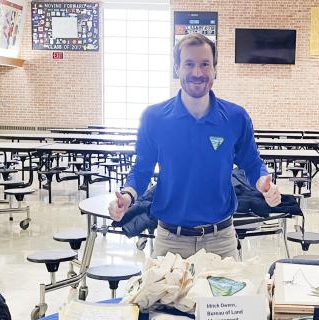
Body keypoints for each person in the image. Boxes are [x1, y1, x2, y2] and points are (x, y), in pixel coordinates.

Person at [108, 33, 281, 260]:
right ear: (177, 68)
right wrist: (128, 196)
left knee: (224, 297)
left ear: (215, 70)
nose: (197, 73)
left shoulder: (235, 117)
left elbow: (251, 162)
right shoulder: (154, 117)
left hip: (221, 241)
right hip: (170, 241)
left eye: (205, 64)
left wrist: (263, 184)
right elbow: (142, 169)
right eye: (189, 64)